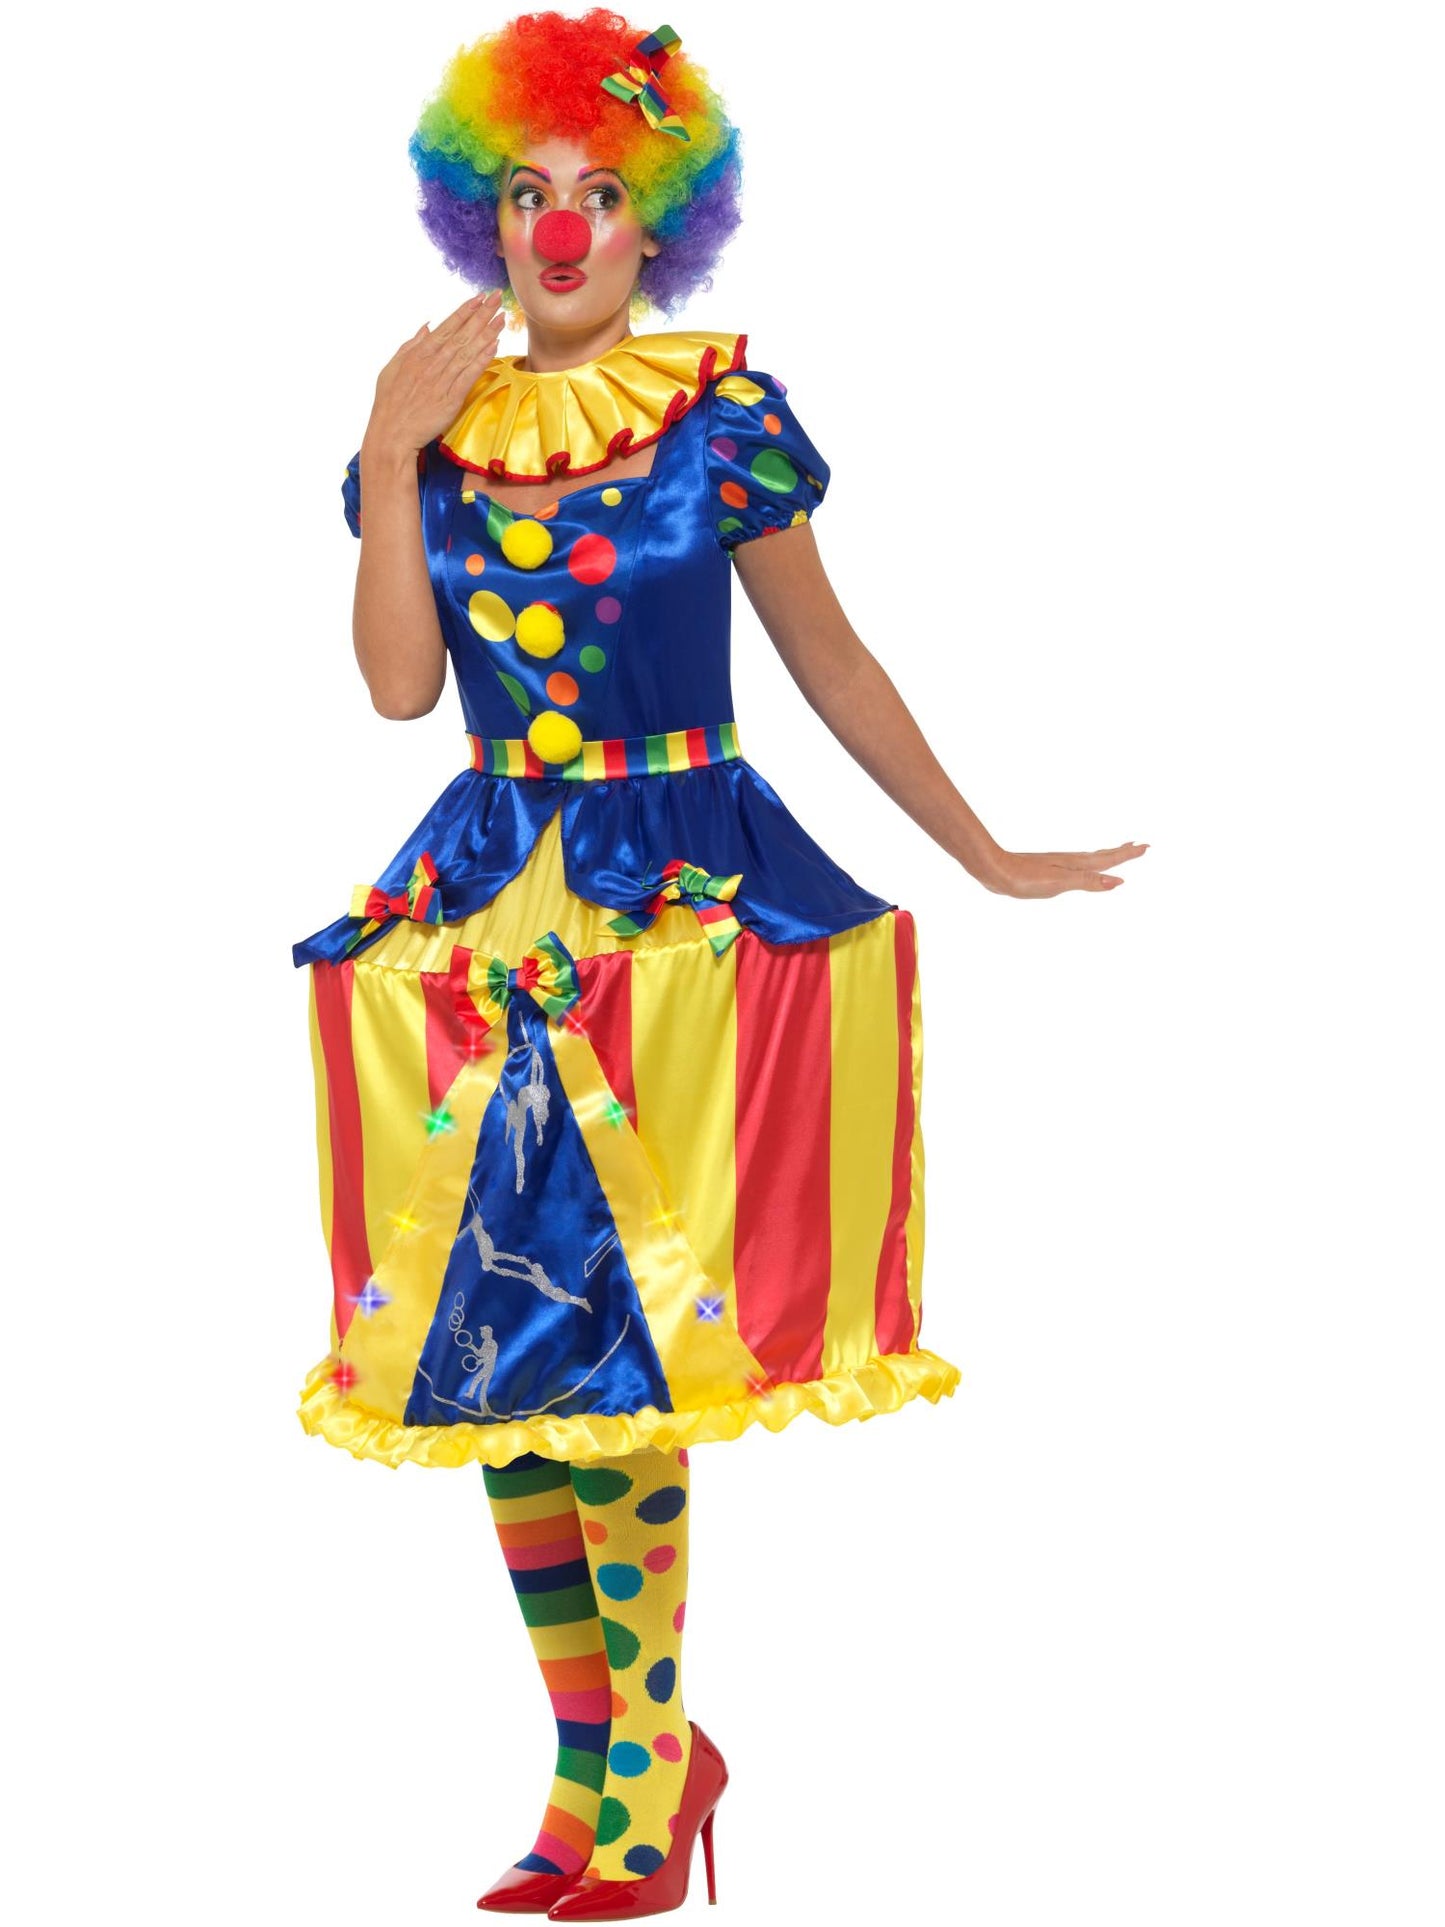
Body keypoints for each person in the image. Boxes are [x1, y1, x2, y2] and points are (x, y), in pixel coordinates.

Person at [290, 11, 1147, 1919]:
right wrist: (389, 448)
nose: (562, 229)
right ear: (480, 219)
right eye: (529, 192)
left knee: (632, 1356)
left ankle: (646, 1769)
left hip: (680, 906)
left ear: (658, 223)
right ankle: (591, 1758)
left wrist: (982, 848)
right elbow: (402, 690)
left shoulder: (716, 419)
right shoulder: (431, 435)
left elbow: (830, 661)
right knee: (494, 1355)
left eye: (601, 193)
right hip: (489, 902)